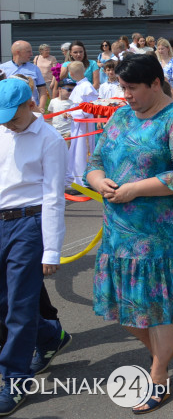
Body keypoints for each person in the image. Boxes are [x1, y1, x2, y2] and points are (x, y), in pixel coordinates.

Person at [85, 54, 173, 414]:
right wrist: (99, 181)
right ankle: (162, 356)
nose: (126, 95)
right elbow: (94, 163)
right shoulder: (121, 115)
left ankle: (158, 376)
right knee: (128, 311)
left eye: (132, 88)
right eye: (122, 87)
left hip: (163, 236)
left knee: (160, 309)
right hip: (120, 232)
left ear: (156, 82)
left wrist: (134, 189)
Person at [0, 79, 70, 416]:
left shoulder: (50, 140)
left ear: (30, 104)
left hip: (29, 224)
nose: (7, 122)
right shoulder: (1, 130)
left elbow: (54, 196)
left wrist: (51, 249)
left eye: (12, 115)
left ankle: (15, 379)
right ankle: (49, 335)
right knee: (4, 303)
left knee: (20, 304)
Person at [3, 41, 50, 110]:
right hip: (10, 109)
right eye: (28, 51)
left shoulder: (34, 68)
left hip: (31, 109)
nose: (31, 54)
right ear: (18, 52)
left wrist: (41, 107)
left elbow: (42, 90)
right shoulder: (3, 68)